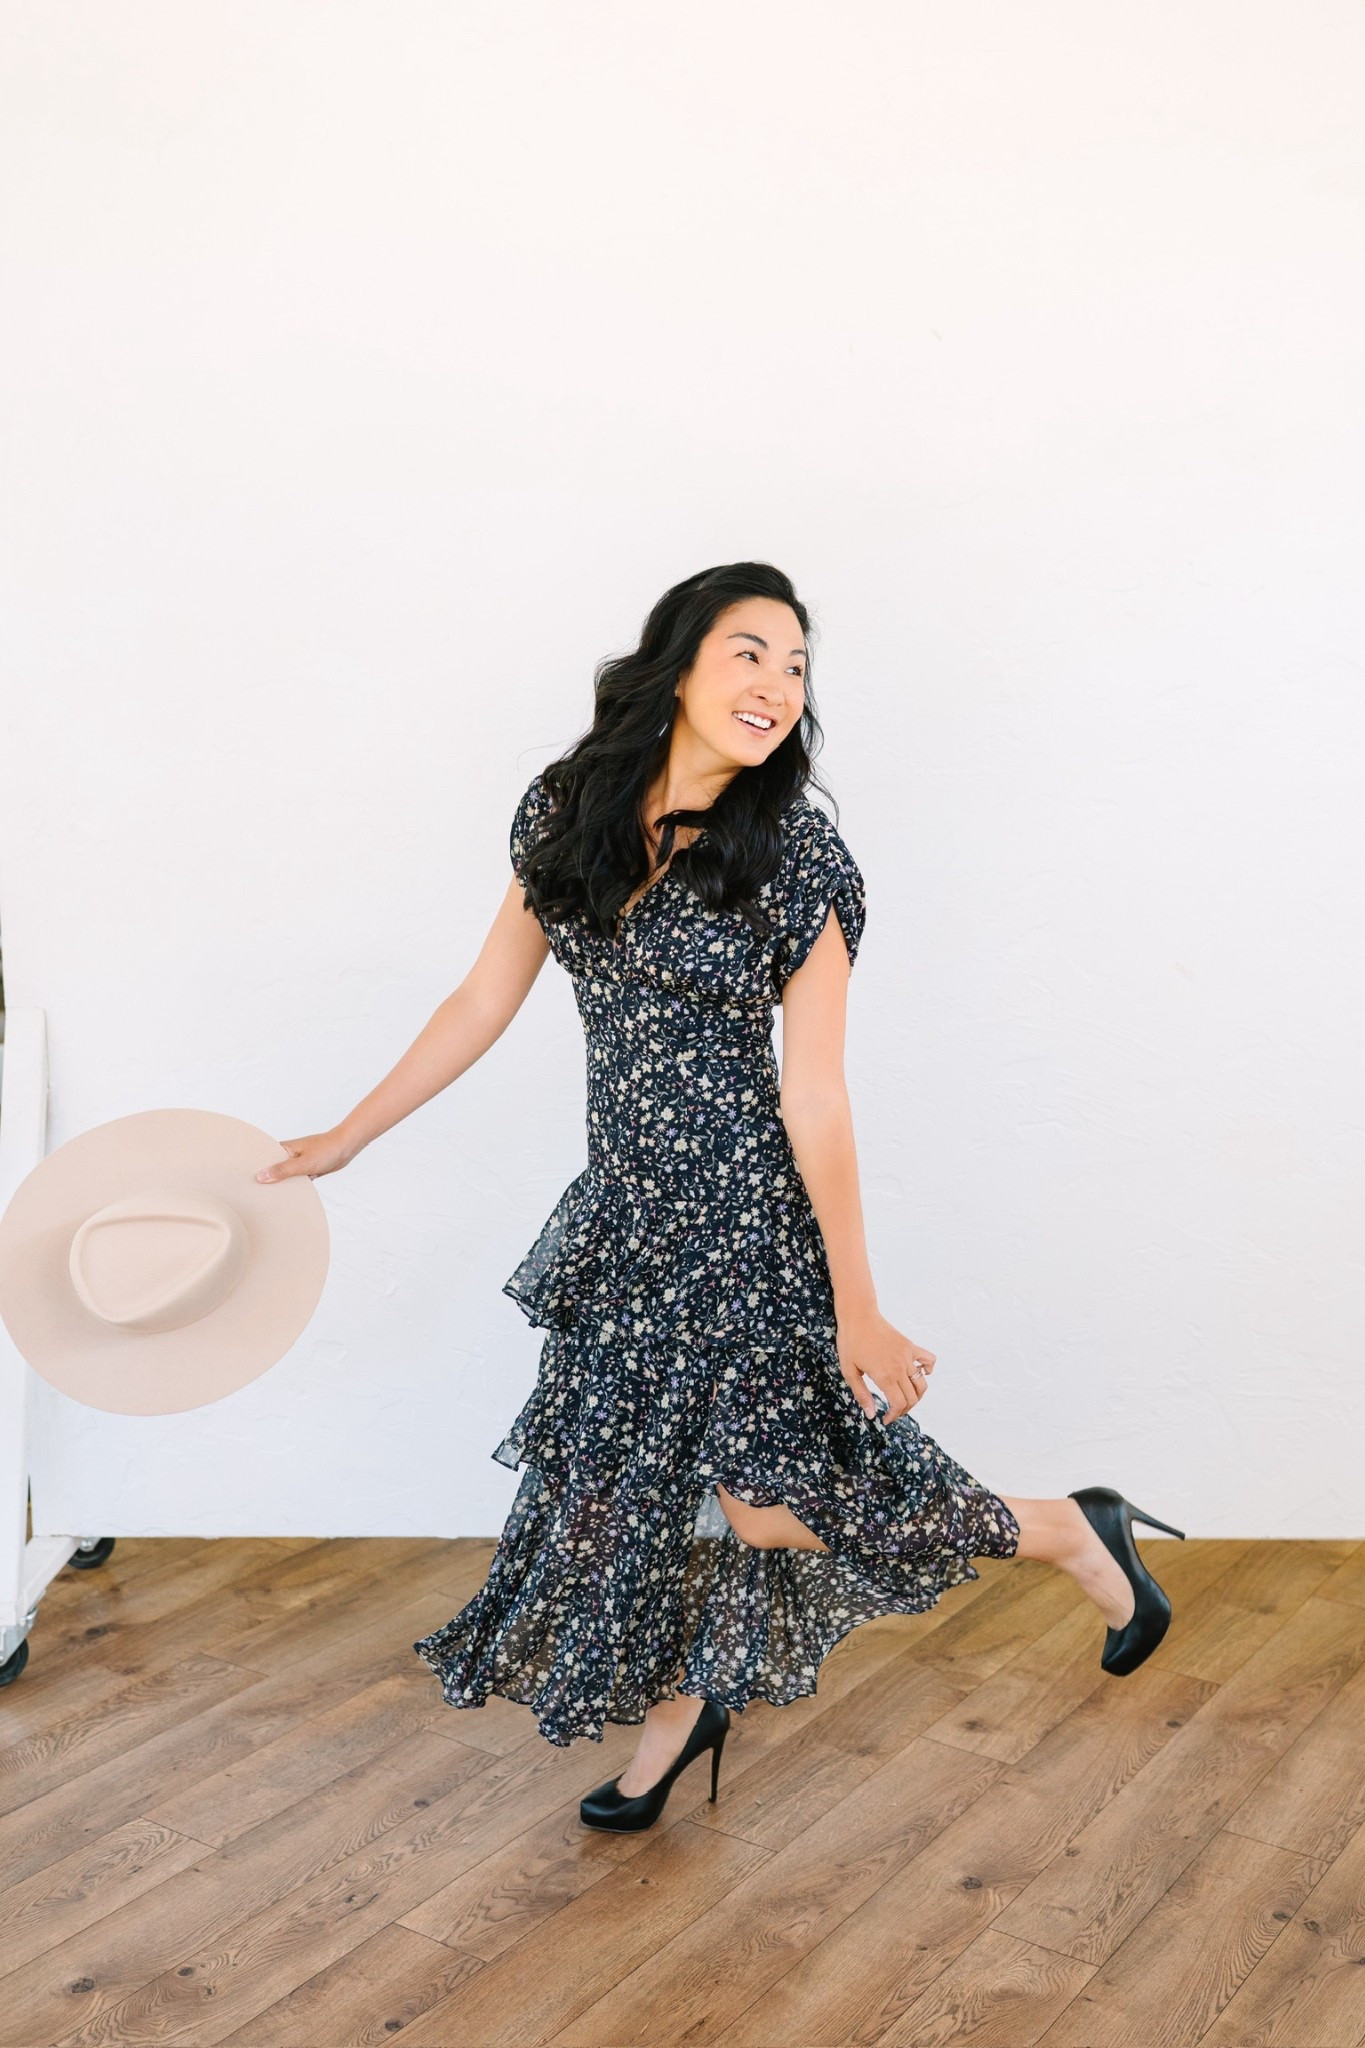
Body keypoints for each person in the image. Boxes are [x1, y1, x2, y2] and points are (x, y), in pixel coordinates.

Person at [257, 561, 1184, 1833]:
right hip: (629, 1218)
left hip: (748, 1223)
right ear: (679, 661)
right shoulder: (570, 810)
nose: (777, 686)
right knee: (632, 1492)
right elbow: (482, 996)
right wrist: (348, 1136)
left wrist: (860, 1304)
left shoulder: (795, 851)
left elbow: (817, 1096)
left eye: (797, 668)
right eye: (753, 652)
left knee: (764, 1497)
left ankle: (1072, 1528)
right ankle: (677, 1724)